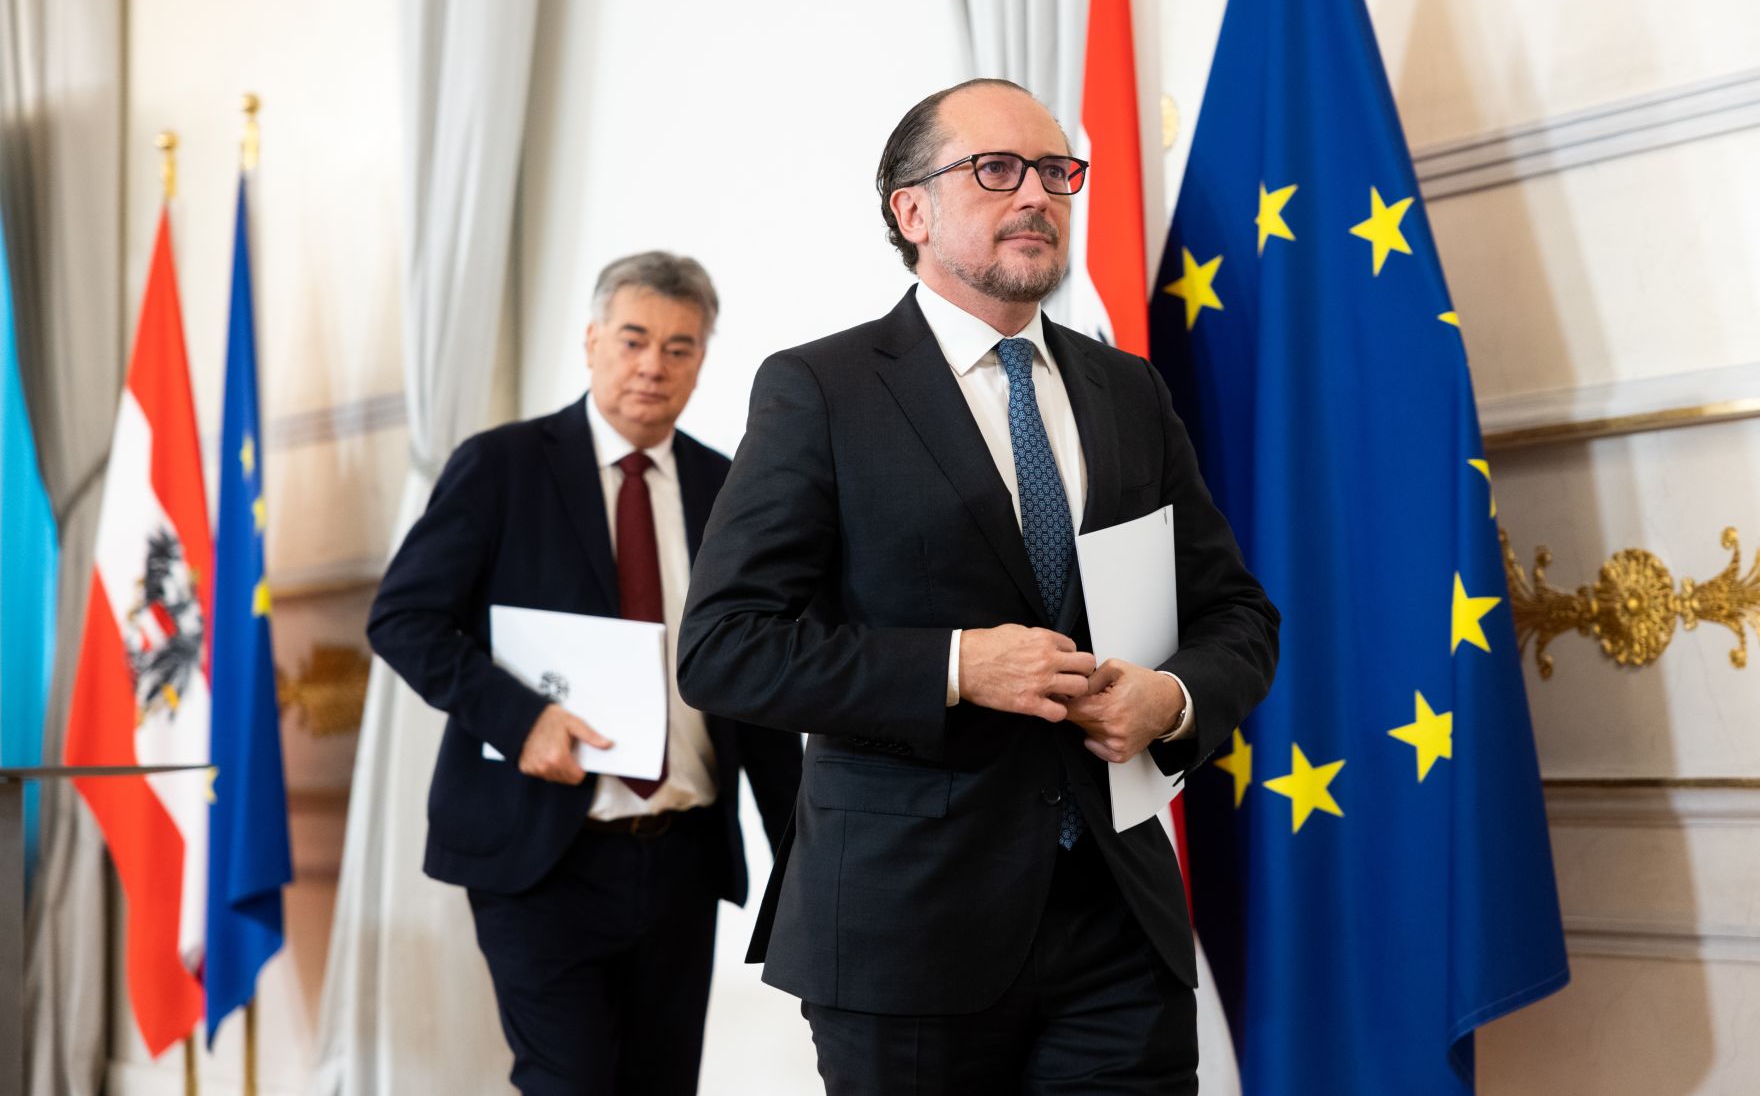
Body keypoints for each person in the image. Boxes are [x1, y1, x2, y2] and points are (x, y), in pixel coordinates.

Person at [677, 80, 1279, 1095]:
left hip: (1116, 923)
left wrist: (1170, 698)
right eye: (994, 171)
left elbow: (1234, 613)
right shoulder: (819, 390)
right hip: (908, 930)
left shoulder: (1125, 390)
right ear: (910, 212)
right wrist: (956, 666)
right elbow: (724, 646)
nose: (1035, 196)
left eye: (1055, 172)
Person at [367, 250, 803, 1096]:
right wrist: (519, 718)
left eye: (680, 347)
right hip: (540, 855)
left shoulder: (733, 490)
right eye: (634, 339)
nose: (653, 365)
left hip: (682, 855)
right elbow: (403, 618)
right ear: (592, 340)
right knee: (570, 1080)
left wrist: (804, 847)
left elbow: (761, 675)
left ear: (703, 360)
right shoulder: (502, 467)